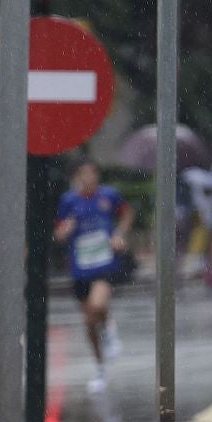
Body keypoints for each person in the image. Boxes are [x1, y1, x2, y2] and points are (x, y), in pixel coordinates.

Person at [53, 158, 134, 394]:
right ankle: (100, 368)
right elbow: (58, 235)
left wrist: (119, 234)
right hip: (81, 268)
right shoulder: (69, 202)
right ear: (78, 177)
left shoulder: (109, 196)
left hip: (105, 263)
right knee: (89, 322)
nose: (88, 179)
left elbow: (127, 213)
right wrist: (65, 230)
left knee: (98, 304)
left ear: (97, 176)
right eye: (83, 174)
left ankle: (109, 329)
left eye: (92, 174)